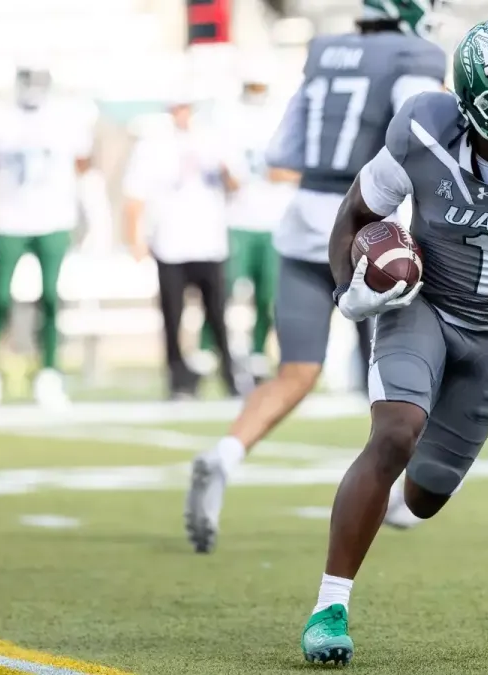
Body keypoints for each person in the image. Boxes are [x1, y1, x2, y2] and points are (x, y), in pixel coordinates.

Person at [299, 16, 488, 665]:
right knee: (395, 432)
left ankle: (409, 490)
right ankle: (330, 605)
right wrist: (347, 289)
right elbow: (358, 215)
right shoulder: (422, 129)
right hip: (424, 308)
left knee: (424, 494)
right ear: (474, 107)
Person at [184, 0, 448, 555]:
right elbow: (418, 138)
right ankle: (403, 491)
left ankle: (225, 455)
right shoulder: (414, 54)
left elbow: (285, 147)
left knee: (297, 369)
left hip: (305, 213)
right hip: (370, 221)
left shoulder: (326, 50)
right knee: (410, 367)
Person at [0, 64, 108, 408]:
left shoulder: (65, 117)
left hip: (53, 218)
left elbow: (84, 169)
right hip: (9, 219)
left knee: (50, 297)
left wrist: (95, 217)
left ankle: (49, 371)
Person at [123, 90, 243, 400]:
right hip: (170, 242)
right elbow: (134, 195)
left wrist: (224, 168)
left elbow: (235, 184)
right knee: (172, 316)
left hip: (209, 241)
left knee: (217, 315)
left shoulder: (212, 140)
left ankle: (229, 376)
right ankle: (179, 380)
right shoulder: (152, 145)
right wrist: (134, 237)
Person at [199, 61, 298, 382]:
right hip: (238, 219)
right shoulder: (229, 117)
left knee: (267, 294)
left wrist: (276, 174)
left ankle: (257, 352)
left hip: (273, 222)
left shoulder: (284, 118)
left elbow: (295, 170)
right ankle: (207, 349)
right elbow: (226, 171)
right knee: (224, 289)